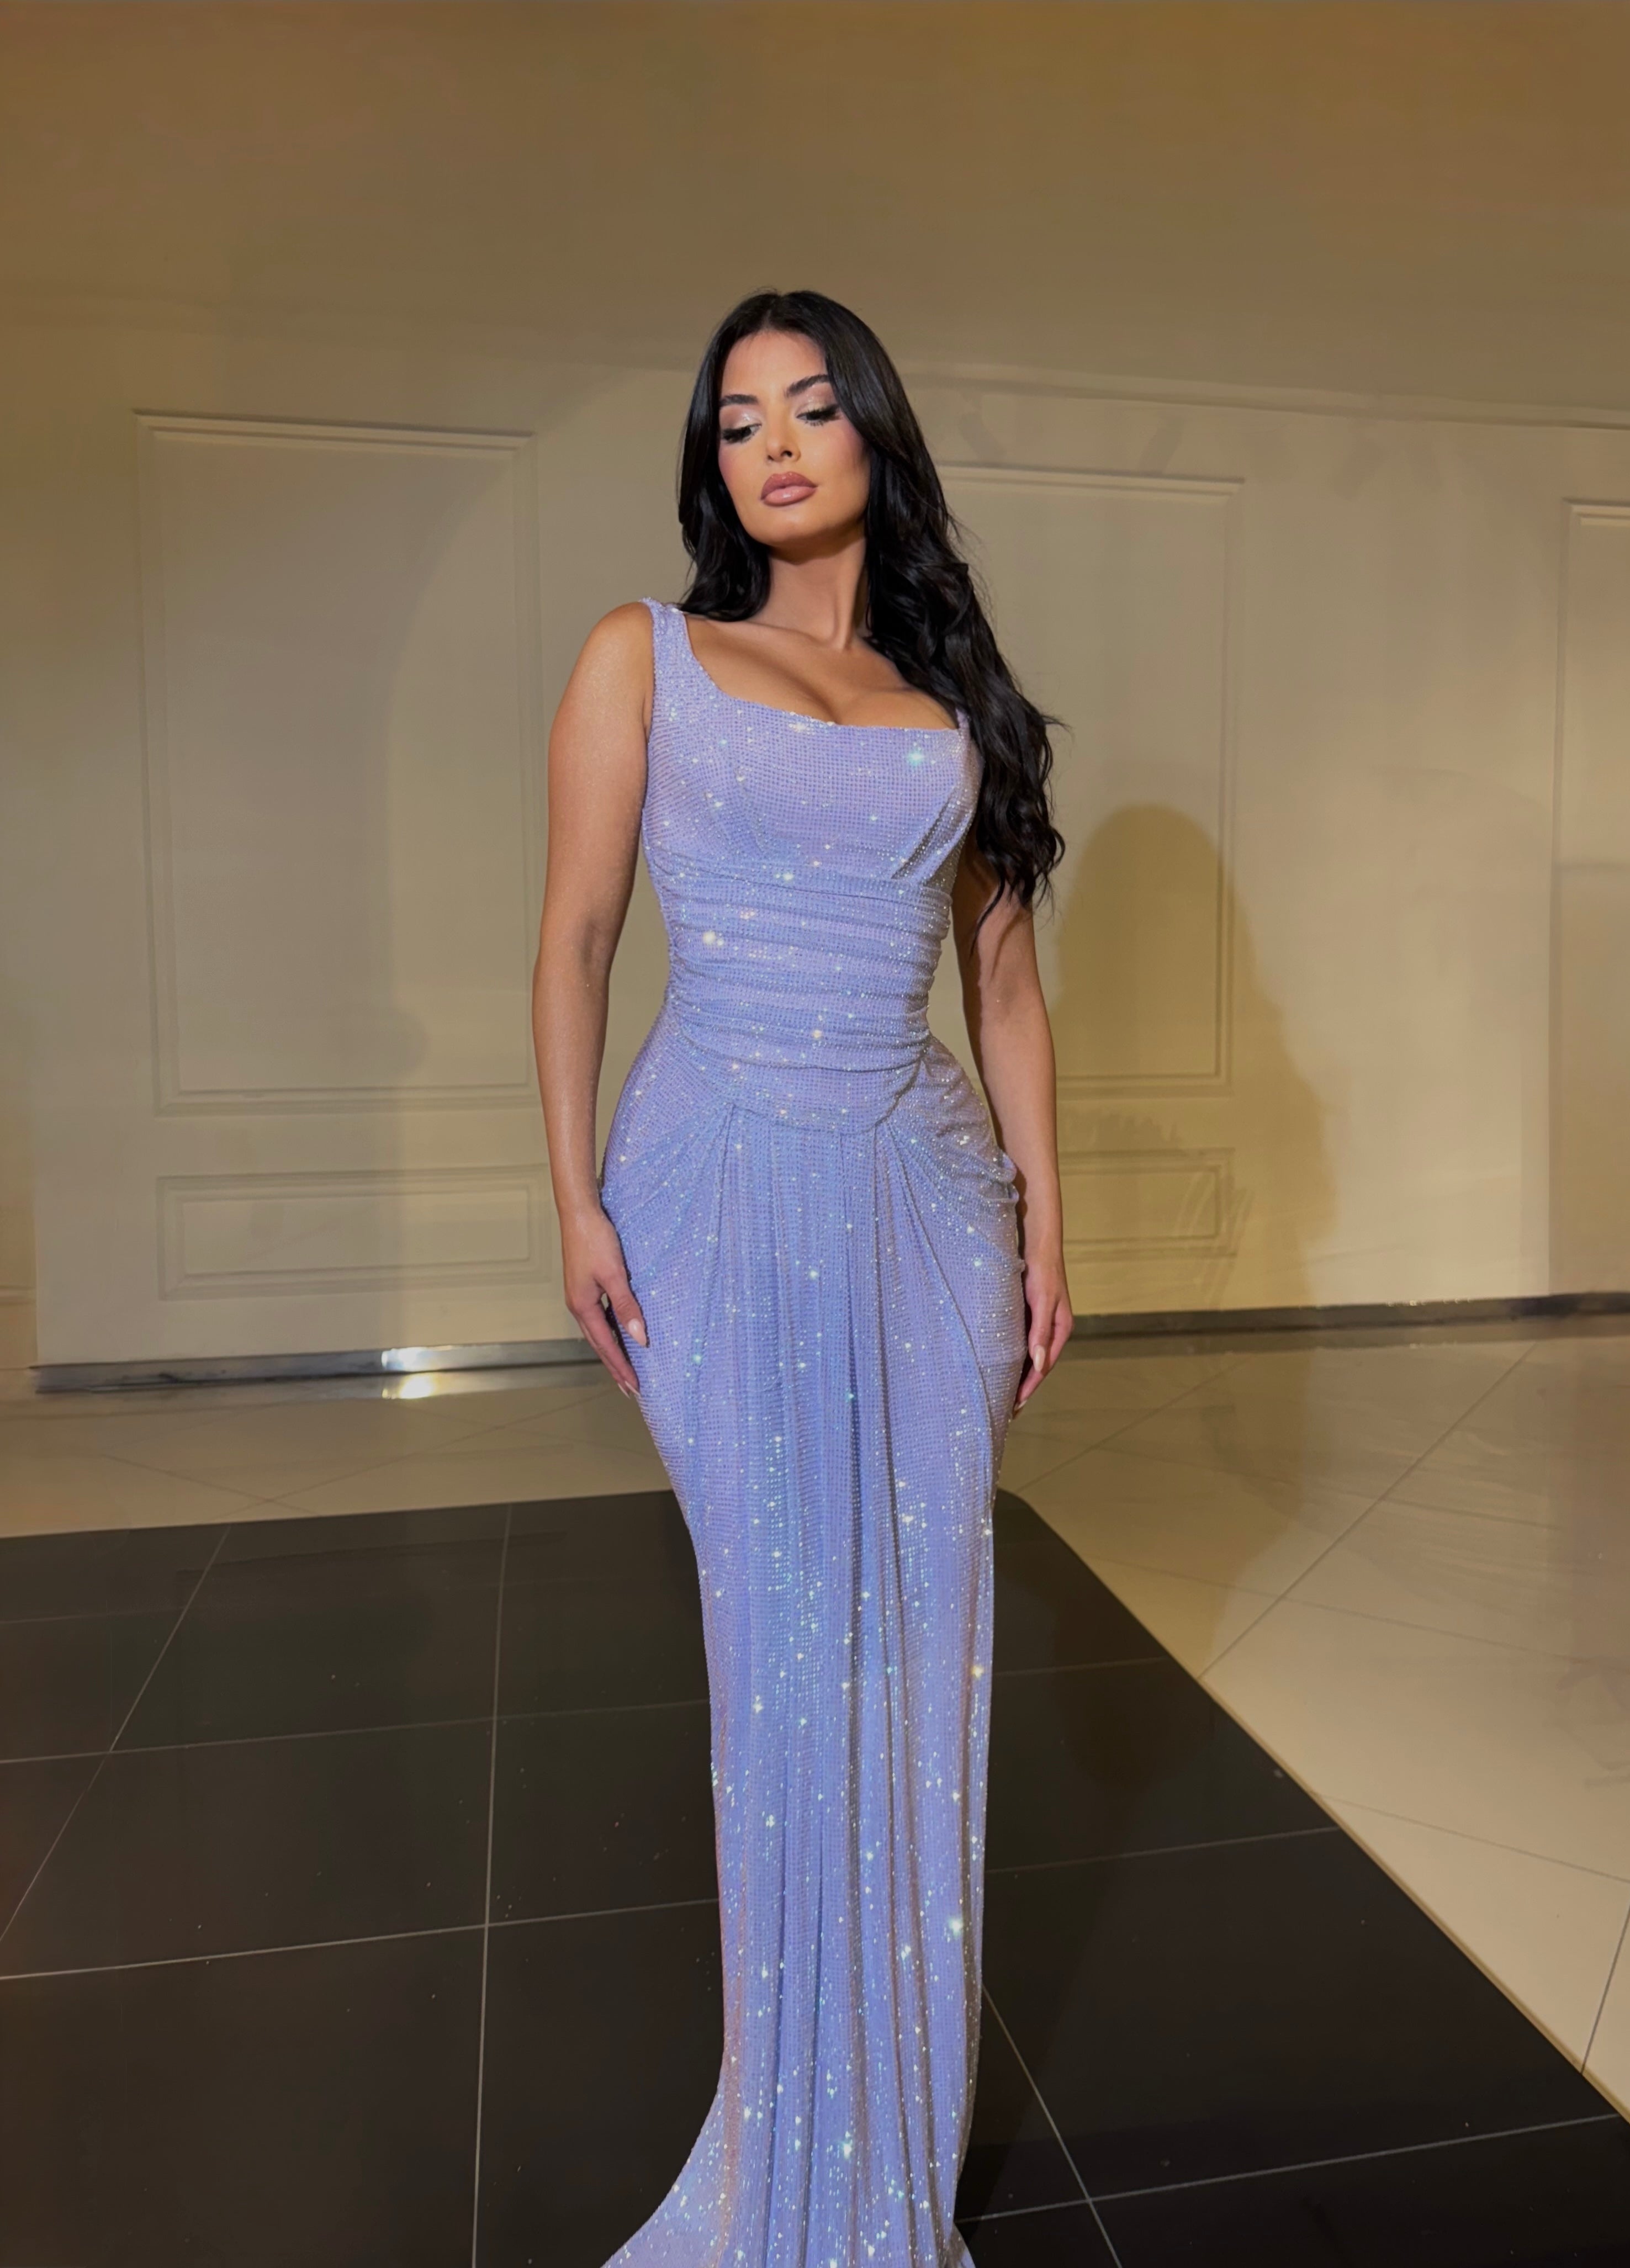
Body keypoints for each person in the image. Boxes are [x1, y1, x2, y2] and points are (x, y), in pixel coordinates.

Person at [532, 288, 1072, 2267]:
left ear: (874, 437)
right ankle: (790, 2176)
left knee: (916, 1665)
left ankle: (884, 2176)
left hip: (921, 1206)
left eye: (812, 405)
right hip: (715, 1191)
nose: (771, 441)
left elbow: (1001, 983)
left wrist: (1047, 1217)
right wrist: (573, 1199)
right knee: (781, 1665)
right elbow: (576, 936)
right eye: (738, 415)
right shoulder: (647, 653)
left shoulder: (955, 703)